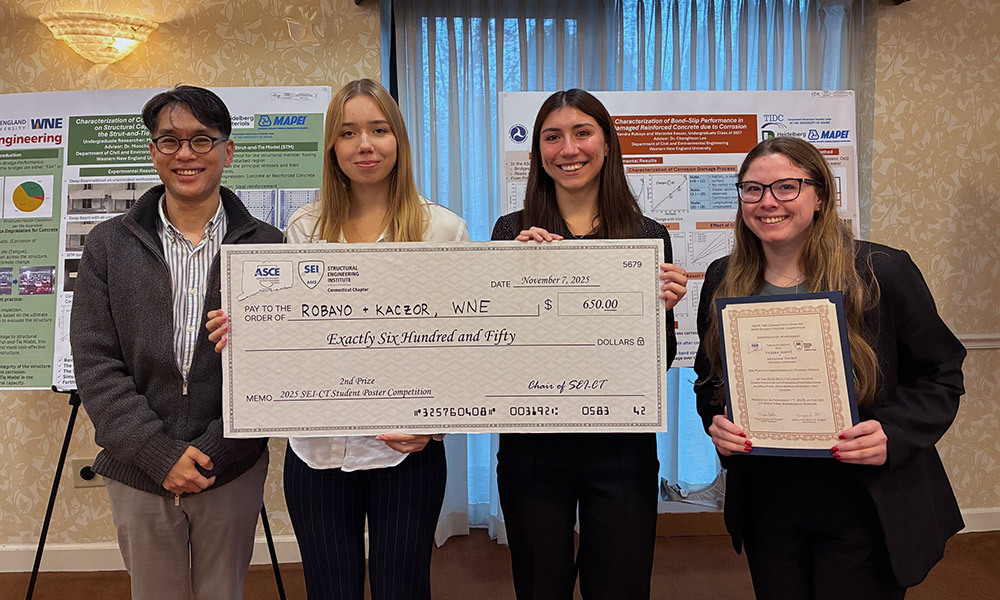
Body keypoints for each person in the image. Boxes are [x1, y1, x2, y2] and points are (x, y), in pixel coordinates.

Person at [208, 78, 468, 600]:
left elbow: (461, 346)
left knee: (403, 587)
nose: (364, 145)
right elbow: (292, 329)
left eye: (378, 130)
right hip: (316, 451)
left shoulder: (442, 229)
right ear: (332, 146)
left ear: (399, 140)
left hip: (405, 450)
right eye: (348, 133)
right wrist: (246, 328)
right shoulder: (303, 227)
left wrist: (435, 427)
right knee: (330, 588)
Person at [693, 137, 966, 599]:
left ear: (820, 195)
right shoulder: (724, 276)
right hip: (769, 500)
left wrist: (892, 434)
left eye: (786, 187)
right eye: (753, 190)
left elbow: (941, 373)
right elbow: (710, 379)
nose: (768, 202)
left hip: (863, 499)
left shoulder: (883, 270)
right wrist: (717, 425)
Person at [70, 86, 283, 600]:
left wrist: (215, 449)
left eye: (202, 140)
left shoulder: (268, 246)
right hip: (138, 468)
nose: (185, 154)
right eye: (169, 141)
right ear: (152, 151)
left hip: (230, 465)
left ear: (227, 152)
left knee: (222, 593)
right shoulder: (107, 244)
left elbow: (275, 365)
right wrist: (157, 453)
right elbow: (96, 363)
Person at [490, 88, 688, 599]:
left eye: (582, 133)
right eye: (552, 137)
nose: (568, 149)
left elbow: (661, 360)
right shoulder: (511, 233)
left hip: (620, 446)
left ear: (606, 144)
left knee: (621, 584)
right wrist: (505, 285)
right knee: (539, 585)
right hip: (532, 446)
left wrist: (658, 313)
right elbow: (494, 352)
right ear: (537, 153)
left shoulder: (646, 234)